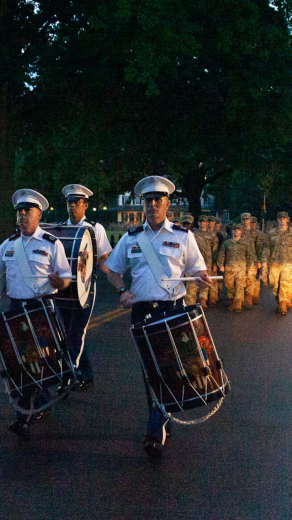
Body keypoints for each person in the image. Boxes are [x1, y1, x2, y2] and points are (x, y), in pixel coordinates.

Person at [104, 175, 211, 459]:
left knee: (168, 368)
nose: (153, 205)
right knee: (149, 371)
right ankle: (162, 416)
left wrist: (200, 277)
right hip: (141, 312)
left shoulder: (182, 236)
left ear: (167, 204)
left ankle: (155, 430)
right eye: (148, 200)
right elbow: (112, 270)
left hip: (171, 310)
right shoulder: (131, 238)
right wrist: (122, 290)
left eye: (158, 200)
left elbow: (197, 268)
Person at [0, 189, 72, 440]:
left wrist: (60, 283)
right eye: (20, 211)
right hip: (15, 308)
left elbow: (65, 278)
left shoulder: (51, 244)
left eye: (28, 211)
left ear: (39, 214)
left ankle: (24, 415)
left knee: (38, 359)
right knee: (20, 360)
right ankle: (37, 403)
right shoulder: (8, 245)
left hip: (40, 308)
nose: (22, 216)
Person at [56, 184, 113, 390]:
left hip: (85, 288)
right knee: (66, 333)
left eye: (77, 202)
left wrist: (115, 275)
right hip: (63, 289)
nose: (72, 206)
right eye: (69, 202)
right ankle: (86, 374)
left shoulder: (95, 228)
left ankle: (68, 374)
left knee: (76, 332)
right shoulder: (60, 228)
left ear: (85, 205)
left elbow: (104, 258)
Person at [262, 211, 292, 315]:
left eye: (284, 218)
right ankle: (282, 298)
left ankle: (282, 304)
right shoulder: (271, 233)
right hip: (274, 262)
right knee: (275, 284)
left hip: (288, 262)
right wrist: (264, 262)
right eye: (280, 218)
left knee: (285, 282)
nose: (282, 220)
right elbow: (266, 248)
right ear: (277, 219)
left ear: (287, 220)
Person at [216, 225, 254, 312]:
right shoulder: (226, 243)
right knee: (230, 286)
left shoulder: (245, 244)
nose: (236, 232)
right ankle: (232, 301)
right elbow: (222, 255)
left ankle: (238, 304)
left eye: (238, 230)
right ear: (231, 231)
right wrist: (221, 265)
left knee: (240, 285)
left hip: (241, 268)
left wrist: (250, 268)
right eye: (234, 230)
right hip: (229, 268)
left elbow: (249, 256)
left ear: (241, 232)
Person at [187, 215, 217, 308]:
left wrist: (214, 263)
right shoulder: (193, 234)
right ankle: (190, 303)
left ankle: (203, 300)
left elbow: (215, 250)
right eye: (200, 221)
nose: (202, 223)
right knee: (192, 282)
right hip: (194, 260)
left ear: (207, 223)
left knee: (205, 280)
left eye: (204, 221)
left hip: (207, 261)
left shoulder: (212, 235)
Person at [240, 213, 262, 308]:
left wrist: (259, 261)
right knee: (240, 279)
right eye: (243, 219)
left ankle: (249, 298)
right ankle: (240, 299)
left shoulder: (256, 233)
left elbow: (259, 248)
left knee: (251, 279)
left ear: (250, 220)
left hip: (252, 259)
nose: (245, 221)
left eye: (247, 219)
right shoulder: (238, 231)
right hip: (240, 259)